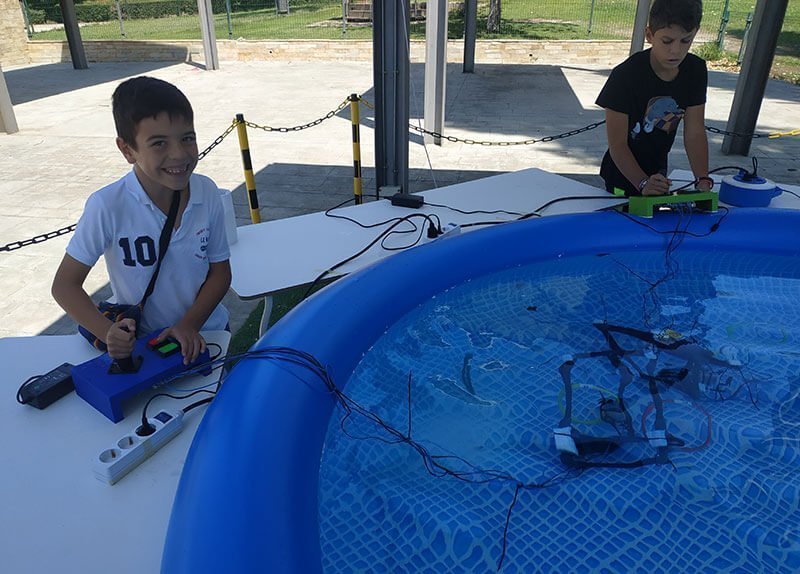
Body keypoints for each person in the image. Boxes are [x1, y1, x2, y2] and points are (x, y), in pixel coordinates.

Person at [52, 76, 231, 365]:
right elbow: (64, 285)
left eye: (188, 137)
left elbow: (220, 273)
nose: (180, 154)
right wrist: (109, 333)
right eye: (159, 143)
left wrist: (189, 325)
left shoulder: (206, 192)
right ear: (127, 150)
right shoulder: (107, 205)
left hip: (206, 333)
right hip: (146, 345)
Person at [596, 0, 712, 197]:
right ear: (650, 35)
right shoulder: (625, 75)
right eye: (667, 41)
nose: (675, 50)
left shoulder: (695, 70)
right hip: (620, 178)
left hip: (658, 175)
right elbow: (618, 144)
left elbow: (695, 132)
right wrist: (642, 183)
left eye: (686, 41)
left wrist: (702, 179)